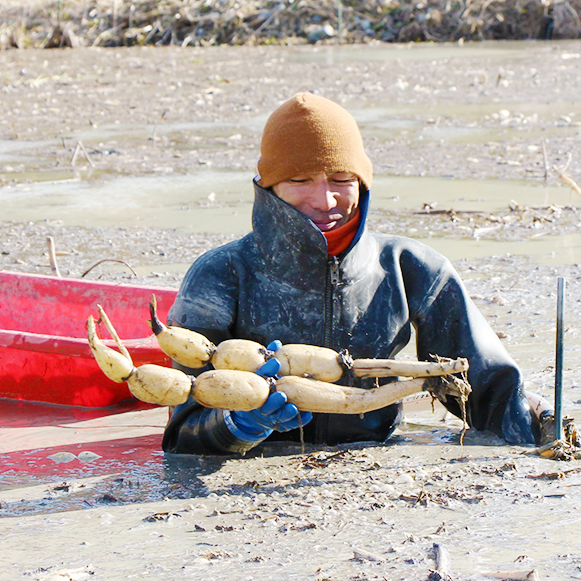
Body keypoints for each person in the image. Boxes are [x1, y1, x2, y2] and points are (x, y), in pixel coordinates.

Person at [161, 92, 554, 455]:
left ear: (362, 181)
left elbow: (486, 391)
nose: (325, 199)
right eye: (300, 180)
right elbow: (183, 433)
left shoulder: (410, 267)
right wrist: (238, 424)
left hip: (374, 457)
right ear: (270, 185)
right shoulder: (219, 276)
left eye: (340, 179)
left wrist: (546, 427)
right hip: (252, 476)